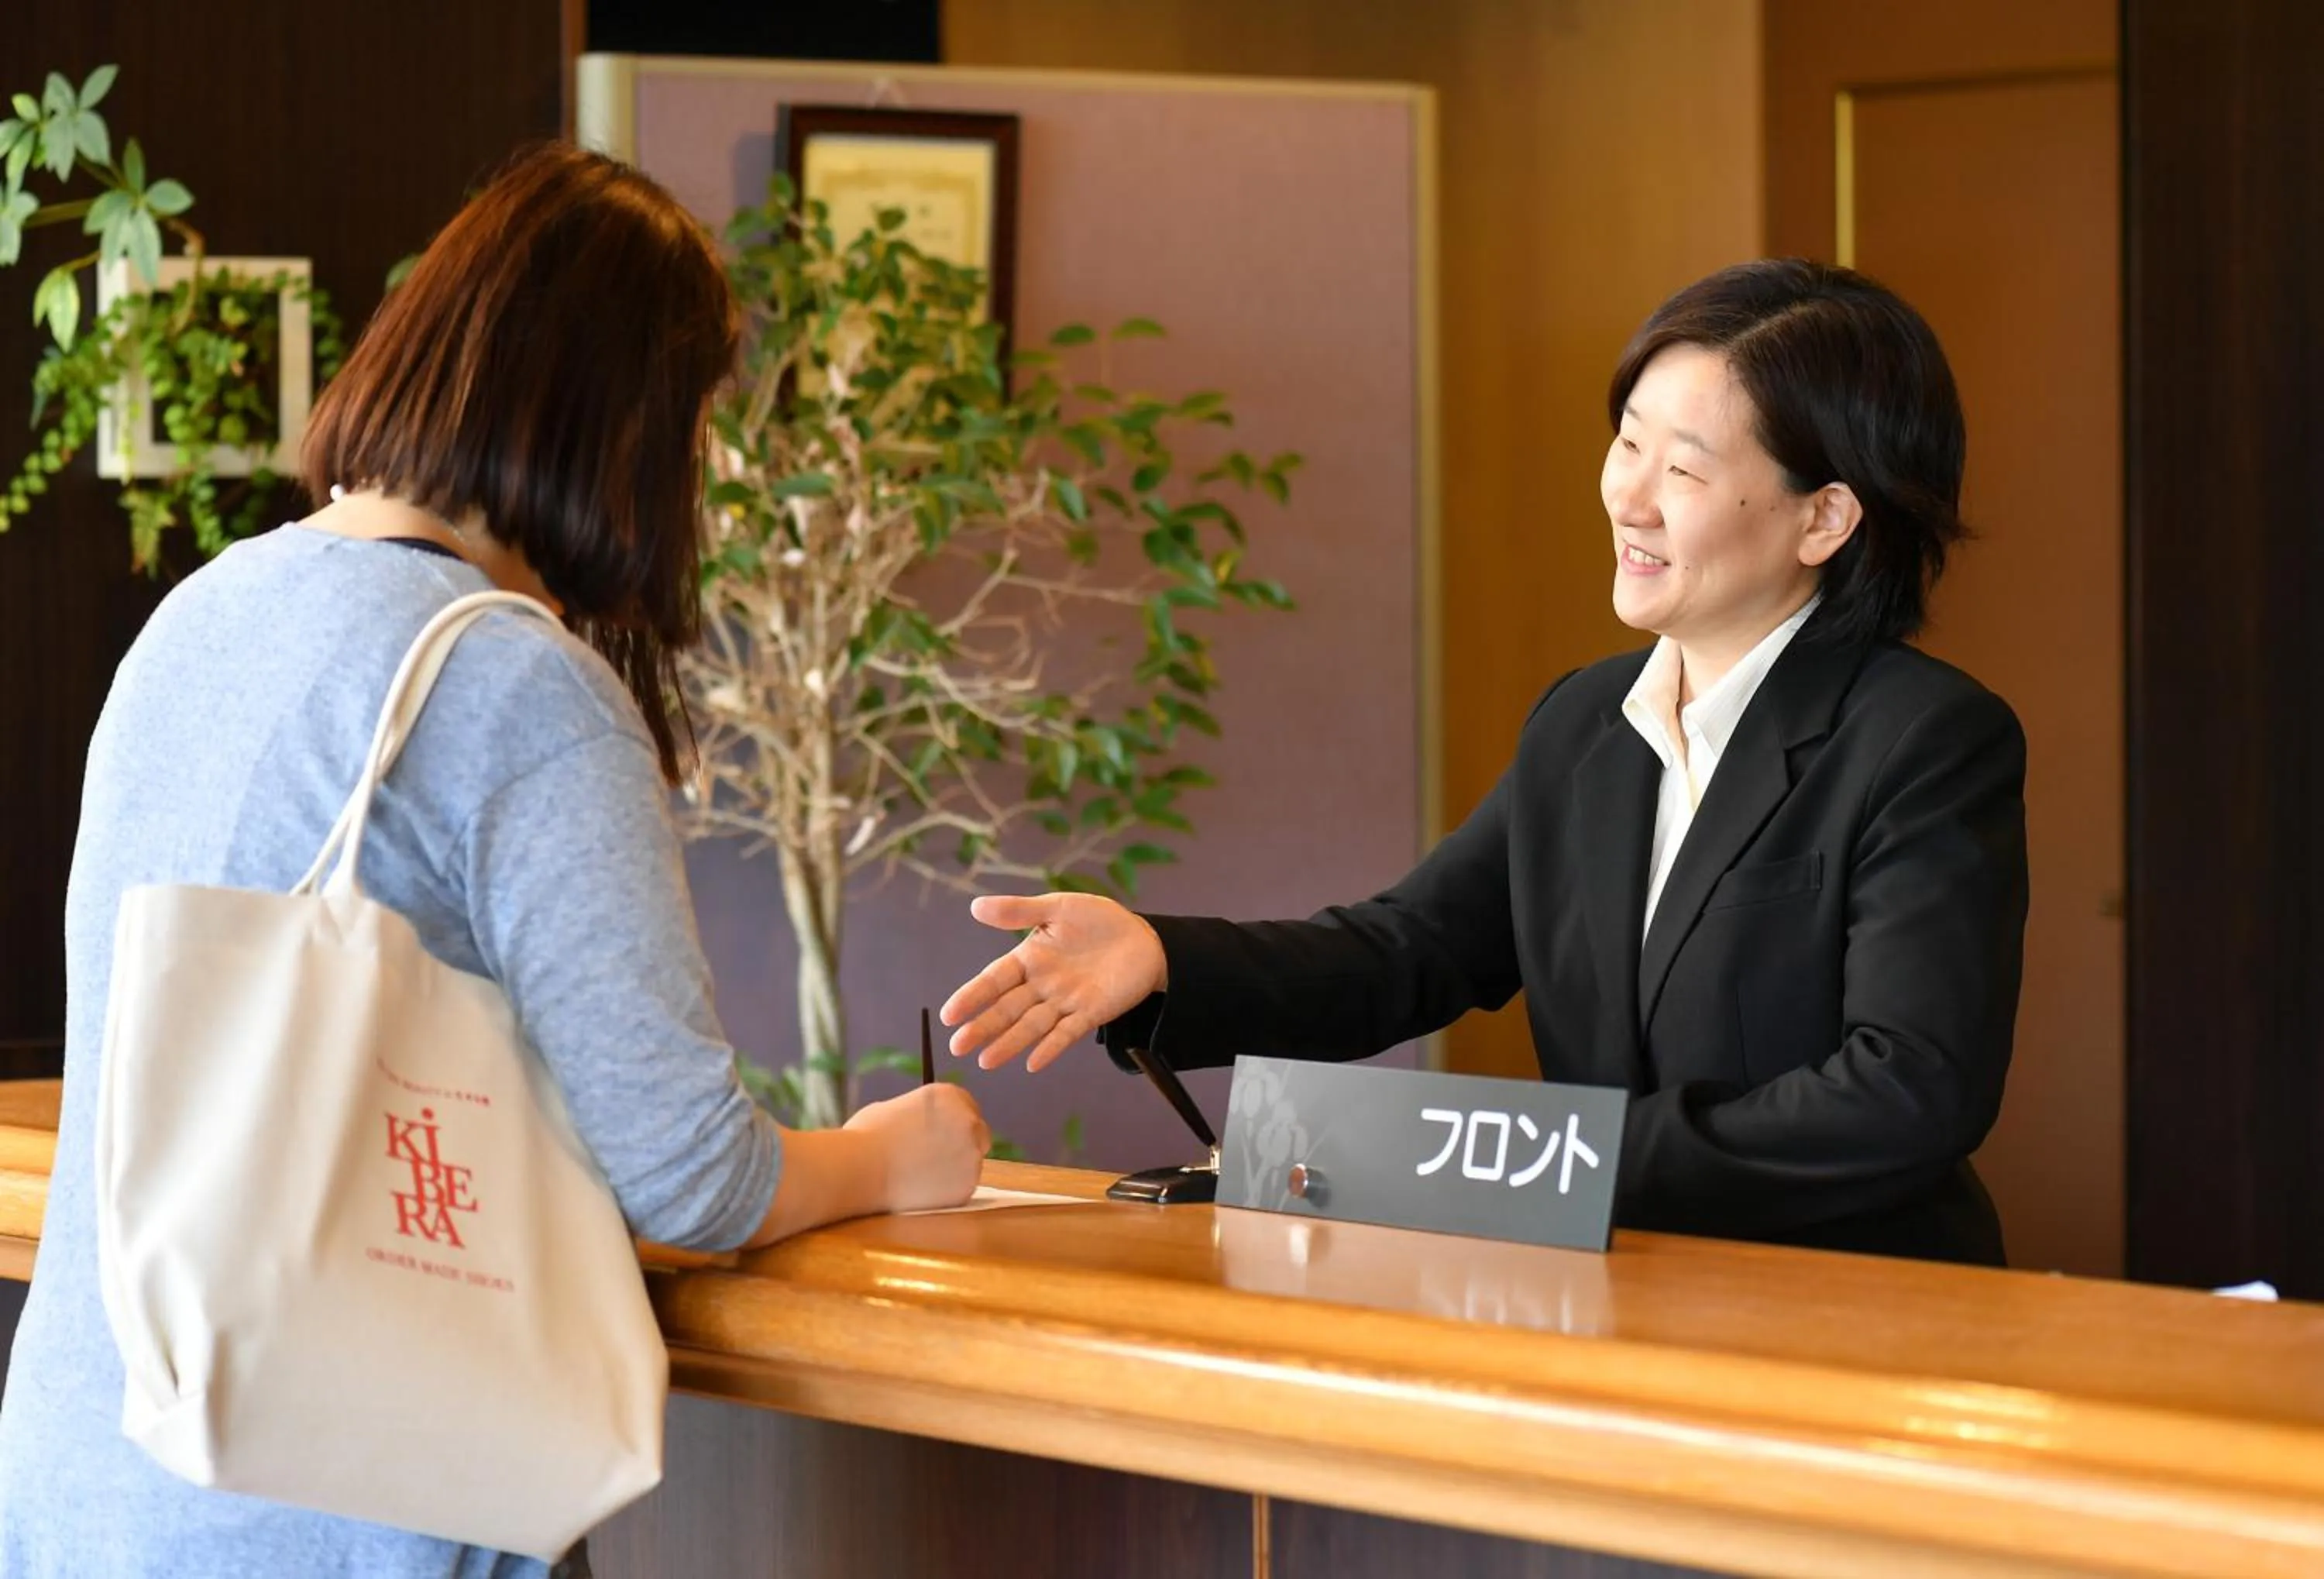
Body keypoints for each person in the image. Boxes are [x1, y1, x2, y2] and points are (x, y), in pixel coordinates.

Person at [0, 143, 987, 1577]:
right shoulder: (511, 686)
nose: (702, 469)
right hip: (327, 1516)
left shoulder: (198, 617)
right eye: (697, 421)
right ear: (615, 420)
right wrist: (899, 1153)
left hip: (90, 1483)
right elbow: (693, 1176)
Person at [942, 259, 2027, 1268]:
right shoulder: (1587, 722)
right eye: (1628, 443)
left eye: (1685, 468)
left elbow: (1907, 1090)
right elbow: (1409, 949)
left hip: (1858, 1316)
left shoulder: (1922, 740)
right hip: (1625, 1299)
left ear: (1825, 516)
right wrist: (1163, 960)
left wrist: (1557, 1161)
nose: (1629, 498)